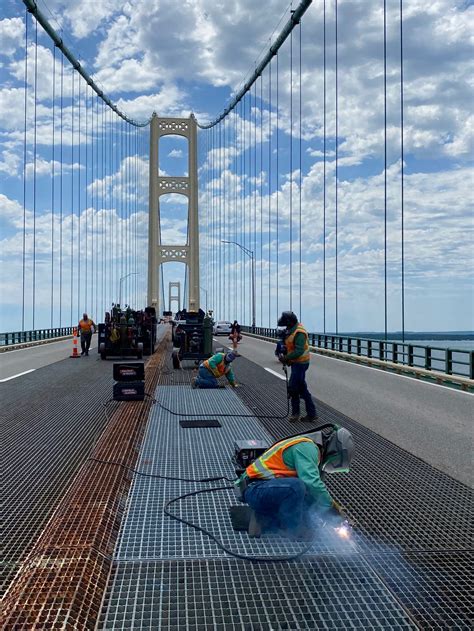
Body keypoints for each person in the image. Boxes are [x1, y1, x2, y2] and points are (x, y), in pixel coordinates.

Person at [235, 424, 354, 538]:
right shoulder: (307, 448)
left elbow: (315, 492)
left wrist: (332, 509)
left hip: (267, 489)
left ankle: (265, 516)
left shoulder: (314, 451)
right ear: (334, 451)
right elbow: (312, 482)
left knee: (307, 495)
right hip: (254, 489)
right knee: (296, 487)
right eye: (335, 465)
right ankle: (291, 529)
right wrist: (329, 507)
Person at [277, 311, 317, 422]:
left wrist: (286, 358)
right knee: (302, 389)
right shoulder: (292, 330)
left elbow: (299, 350)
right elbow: (291, 345)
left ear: (289, 322)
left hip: (301, 363)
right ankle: (312, 414)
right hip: (296, 363)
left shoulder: (300, 332)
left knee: (293, 388)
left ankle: (296, 413)